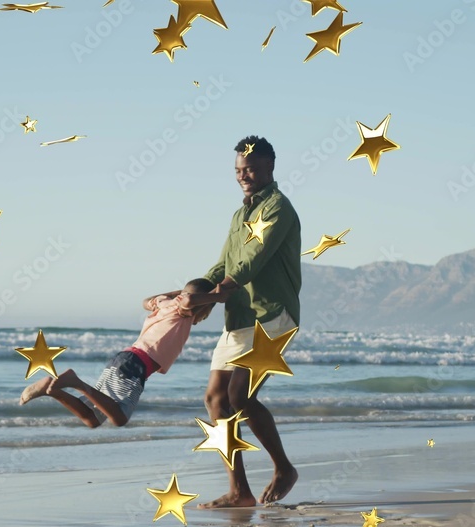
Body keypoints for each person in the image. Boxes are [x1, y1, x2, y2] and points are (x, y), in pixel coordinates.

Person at [181, 135, 302, 507]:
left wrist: (218, 293)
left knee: (239, 395)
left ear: (269, 166)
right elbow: (225, 263)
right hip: (239, 319)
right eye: (238, 170)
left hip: (271, 318)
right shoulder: (240, 215)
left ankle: (284, 467)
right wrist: (192, 291)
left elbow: (253, 260)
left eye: (249, 168)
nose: (243, 175)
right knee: (216, 400)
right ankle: (240, 491)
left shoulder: (278, 208)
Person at [19, 278, 216, 428]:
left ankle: (51, 389)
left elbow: (146, 301)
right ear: (202, 306)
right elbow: (190, 300)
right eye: (207, 312)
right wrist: (218, 295)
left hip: (126, 360)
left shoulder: (164, 304)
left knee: (93, 419)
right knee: (119, 418)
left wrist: (176, 292)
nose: (205, 317)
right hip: (134, 365)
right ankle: (75, 382)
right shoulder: (182, 311)